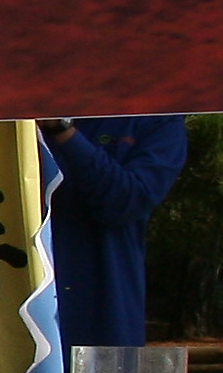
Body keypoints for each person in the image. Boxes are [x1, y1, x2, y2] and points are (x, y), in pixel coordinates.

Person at [41, 114, 186, 354]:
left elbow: (125, 202)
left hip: (99, 310)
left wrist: (62, 131)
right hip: (6, 298)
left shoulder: (155, 118)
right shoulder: (2, 114)